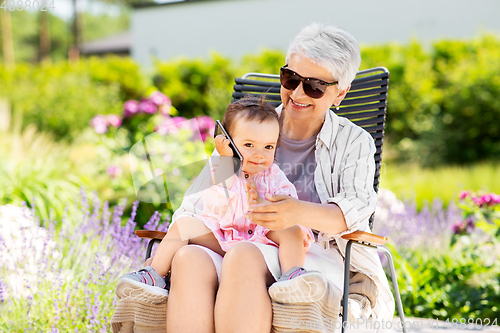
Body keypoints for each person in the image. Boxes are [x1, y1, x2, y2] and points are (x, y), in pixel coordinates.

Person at [115, 22, 395, 333]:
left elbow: (354, 212)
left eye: (314, 86)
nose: (298, 93)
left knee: (243, 255)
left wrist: (294, 211)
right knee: (189, 258)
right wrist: (222, 174)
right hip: (235, 236)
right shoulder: (248, 129)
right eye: (290, 79)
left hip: (311, 256)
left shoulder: (353, 142)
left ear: (340, 93)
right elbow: (195, 205)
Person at [115, 97, 330, 306]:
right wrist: (227, 163)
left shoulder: (273, 175)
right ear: (228, 143)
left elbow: (287, 204)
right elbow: (216, 204)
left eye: (268, 147)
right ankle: (154, 276)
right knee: (184, 225)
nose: (259, 155)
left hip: (260, 240)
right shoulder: (222, 170)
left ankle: (293, 277)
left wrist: (266, 203)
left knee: (291, 229)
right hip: (223, 237)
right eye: (248, 145)